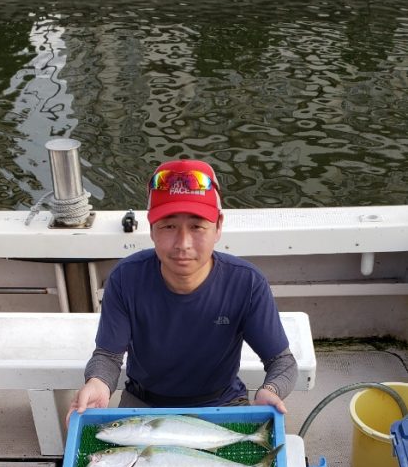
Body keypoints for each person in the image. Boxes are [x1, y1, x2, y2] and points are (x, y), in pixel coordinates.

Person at [67, 158, 297, 421]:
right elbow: (108, 356)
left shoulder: (247, 283)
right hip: (144, 402)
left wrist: (271, 390)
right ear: (151, 229)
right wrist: (97, 383)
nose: (183, 243)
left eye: (197, 226)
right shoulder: (125, 278)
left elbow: (282, 361)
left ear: (218, 226)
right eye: (169, 226)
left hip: (223, 402)